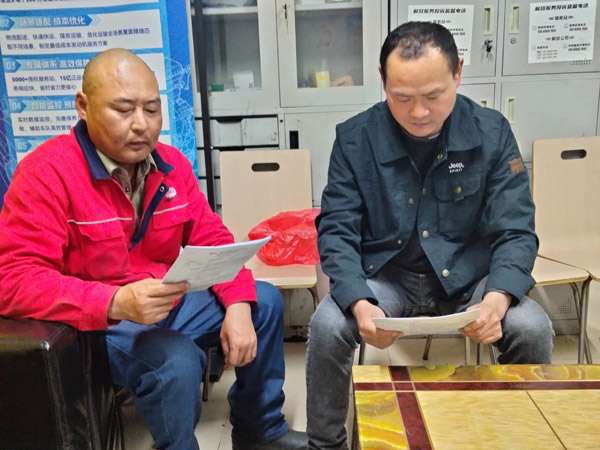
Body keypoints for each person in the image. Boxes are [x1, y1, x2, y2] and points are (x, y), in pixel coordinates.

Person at [0, 48, 307, 450]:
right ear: (83, 107)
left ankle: (259, 429)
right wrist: (114, 302)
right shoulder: (46, 173)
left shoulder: (171, 164)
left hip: (166, 301)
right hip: (99, 323)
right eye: (123, 109)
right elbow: (13, 280)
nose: (141, 125)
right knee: (175, 360)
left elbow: (213, 239)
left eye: (151, 109)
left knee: (261, 301)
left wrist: (237, 305)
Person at [305, 22, 554, 449]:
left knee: (530, 326)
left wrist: (497, 299)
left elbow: (516, 230)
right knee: (328, 324)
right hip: (387, 277)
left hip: (468, 280)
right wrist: (359, 302)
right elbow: (336, 229)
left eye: (433, 96)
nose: (419, 112)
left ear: (458, 72)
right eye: (402, 97)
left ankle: (519, 439)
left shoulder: (492, 133)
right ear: (383, 80)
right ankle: (325, 445)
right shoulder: (354, 139)